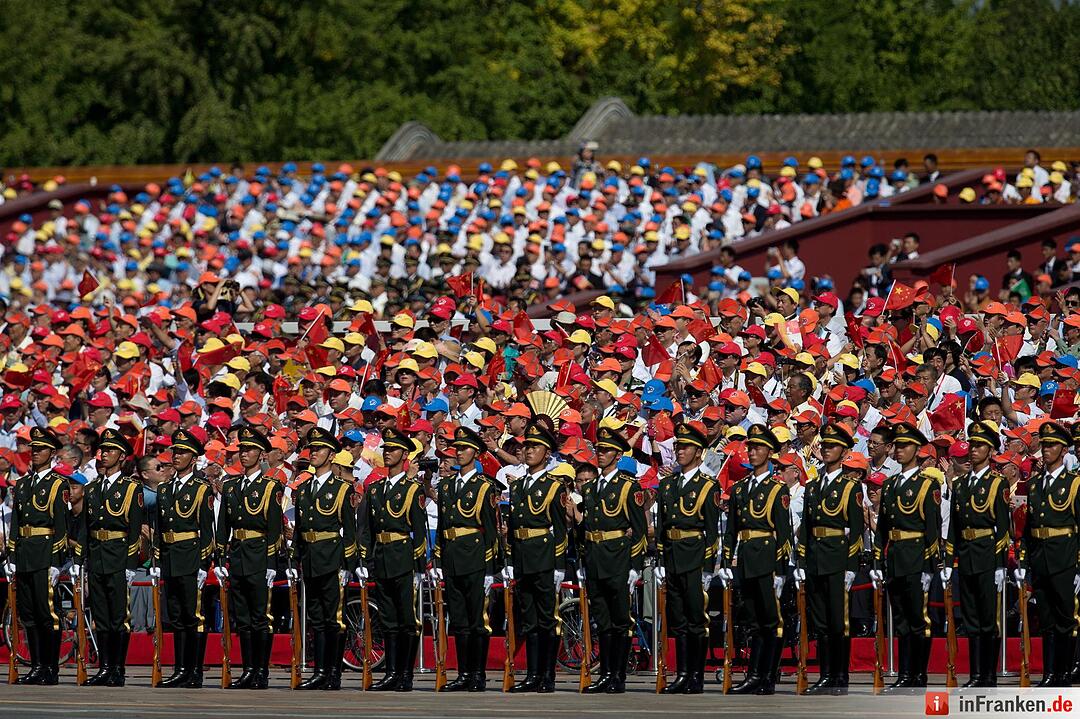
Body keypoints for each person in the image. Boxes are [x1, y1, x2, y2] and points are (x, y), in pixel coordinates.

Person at [575, 426, 647, 694]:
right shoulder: (591, 487)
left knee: (620, 620)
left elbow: (638, 529)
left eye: (605, 451)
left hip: (617, 559)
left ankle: (618, 675)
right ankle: (605, 674)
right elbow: (587, 528)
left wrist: (634, 565)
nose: (600, 455)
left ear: (618, 455)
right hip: (595, 559)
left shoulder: (628, 487)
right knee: (602, 620)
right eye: (599, 450)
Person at [869, 422, 941, 691]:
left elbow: (932, 529)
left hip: (916, 557)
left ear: (917, 449)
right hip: (896, 557)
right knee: (900, 619)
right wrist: (878, 561)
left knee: (918, 618)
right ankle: (904, 673)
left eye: (905, 446)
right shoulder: (889, 486)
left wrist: (929, 566)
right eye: (897, 446)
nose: (899, 451)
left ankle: (918, 673)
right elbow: (883, 530)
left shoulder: (926, 485)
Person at [794, 424, 864, 695]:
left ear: (844, 452)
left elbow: (856, 529)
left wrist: (850, 566)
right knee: (820, 621)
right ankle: (825, 675)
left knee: (838, 621)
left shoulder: (850, 487)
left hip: (837, 559)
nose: (825, 449)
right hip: (815, 560)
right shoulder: (812, 487)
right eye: (824, 446)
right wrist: (802, 562)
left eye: (832, 446)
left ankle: (839, 676)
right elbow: (806, 529)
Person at [72, 428, 143, 687]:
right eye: (103, 450)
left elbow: (134, 530)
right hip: (98, 556)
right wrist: (80, 560)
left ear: (122, 456)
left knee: (118, 617)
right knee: (101, 616)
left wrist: (130, 564)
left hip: (118, 555)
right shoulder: (91, 489)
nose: (104, 455)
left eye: (111, 450)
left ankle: (118, 669)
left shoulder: (130, 488)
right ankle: (104, 667)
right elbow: (85, 529)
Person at [721, 424, 789, 695]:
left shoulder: (777, 489)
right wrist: (727, 562)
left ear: (770, 452)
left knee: (770, 620)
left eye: (758, 447)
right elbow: (731, 530)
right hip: (747, 558)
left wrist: (781, 571)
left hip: (767, 559)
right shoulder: (739, 489)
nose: (751, 452)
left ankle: (767, 676)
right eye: (750, 447)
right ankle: (754, 674)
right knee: (753, 620)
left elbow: (783, 533)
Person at [358, 427, 428, 692]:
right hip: (382, 557)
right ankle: (391, 672)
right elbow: (366, 529)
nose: (388, 454)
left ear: (405, 455)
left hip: (403, 557)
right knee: (388, 619)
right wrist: (365, 560)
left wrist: (419, 566)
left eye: (393, 450)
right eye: (385, 449)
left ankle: (405, 674)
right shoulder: (375, 489)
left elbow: (419, 532)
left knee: (406, 619)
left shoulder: (413, 490)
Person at [941, 420, 1009, 688]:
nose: (974, 449)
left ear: (991, 450)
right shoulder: (960, 485)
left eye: (980, 445)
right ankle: (975, 674)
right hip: (967, 556)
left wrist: (1001, 564)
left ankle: (988, 675)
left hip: (987, 555)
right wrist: (949, 560)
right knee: (971, 619)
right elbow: (955, 529)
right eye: (972, 444)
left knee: (987, 619)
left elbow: (1003, 527)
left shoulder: (997, 483)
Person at [215, 424, 284, 690]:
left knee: (260, 617)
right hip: (239, 554)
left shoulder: (270, 487)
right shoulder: (231, 486)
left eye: (249, 450)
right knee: (241, 617)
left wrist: (270, 563)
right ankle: (247, 670)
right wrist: (221, 558)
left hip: (258, 555)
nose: (243, 454)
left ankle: (261, 671)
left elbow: (274, 528)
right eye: (241, 450)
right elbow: (223, 526)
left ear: (261, 454)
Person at [289, 427, 357, 690]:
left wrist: (347, 565)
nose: (313, 453)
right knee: (316, 617)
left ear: (331, 455)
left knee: (333, 618)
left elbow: (349, 530)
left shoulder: (341, 489)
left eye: (319, 449)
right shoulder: (304, 489)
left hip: (331, 557)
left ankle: (333, 672)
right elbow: (300, 529)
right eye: (312, 448)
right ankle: (319, 670)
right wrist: (295, 558)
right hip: (310, 557)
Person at [432, 426, 499, 692]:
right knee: (458, 620)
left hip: (475, 558)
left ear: (477, 453)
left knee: (477, 620)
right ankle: (462, 673)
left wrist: (490, 569)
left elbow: (491, 531)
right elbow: (443, 526)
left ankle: (478, 674)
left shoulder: (485, 486)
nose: (459, 452)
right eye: (457, 448)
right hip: (451, 557)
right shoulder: (447, 485)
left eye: (464, 448)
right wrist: (437, 561)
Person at [504, 420, 567, 693]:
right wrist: (509, 561)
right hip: (522, 557)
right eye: (527, 446)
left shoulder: (554, 485)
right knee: (528, 619)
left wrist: (559, 566)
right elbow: (513, 527)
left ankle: (547, 675)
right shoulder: (517, 487)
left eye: (535, 447)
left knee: (547, 618)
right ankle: (532, 674)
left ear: (547, 452)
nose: (528, 451)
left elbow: (561, 529)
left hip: (543, 556)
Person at [1017, 420, 1080, 687]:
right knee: (1046, 619)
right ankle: (1050, 673)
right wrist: (1024, 561)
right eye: (1043, 445)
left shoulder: (1074, 484)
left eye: (1052, 445)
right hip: (1041, 558)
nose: (1046, 449)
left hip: (1065, 558)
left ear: (1064, 450)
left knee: (1065, 619)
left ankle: (1064, 673)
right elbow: (1029, 528)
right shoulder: (1035, 485)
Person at [4, 427, 68, 685]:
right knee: (28, 614)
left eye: (40, 449)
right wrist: (11, 556)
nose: (35, 453)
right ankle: (36, 665)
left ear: (51, 453)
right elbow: (17, 523)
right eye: (33, 448)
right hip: (25, 553)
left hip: (44, 553)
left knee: (47, 613)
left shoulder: (57, 484)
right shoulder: (23, 485)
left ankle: (50, 668)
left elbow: (61, 526)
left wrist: (56, 562)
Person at [152, 428, 215, 688]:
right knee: (176, 616)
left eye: (182, 452)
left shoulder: (201, 489)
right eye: (175, 451)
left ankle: (194, 671)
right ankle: (179, 668)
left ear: (194, 457)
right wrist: (157, 559)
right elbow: (158, 527)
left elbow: (207, 530)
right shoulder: (165, 489)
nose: (176, 456)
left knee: (193, 616)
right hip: (170, 558)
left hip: (190, 557)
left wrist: (203, 564)